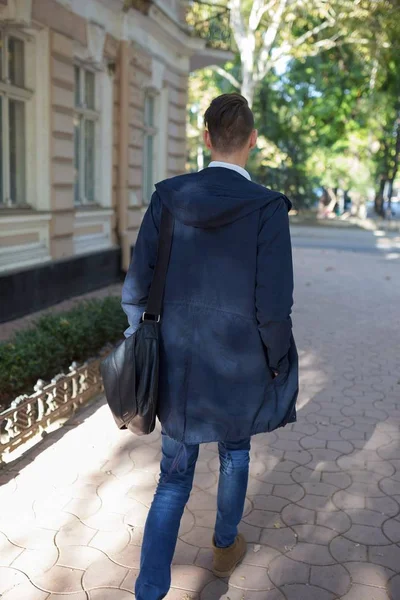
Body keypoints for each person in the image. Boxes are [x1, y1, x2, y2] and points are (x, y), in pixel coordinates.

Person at [122, 93, 298, 600]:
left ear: (205, 138)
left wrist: (142, 340)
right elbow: (274, 303)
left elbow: (136, 286)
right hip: (238, 362)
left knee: (172, 479)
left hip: (177, 364)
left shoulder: (169, 196)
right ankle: (224, 546)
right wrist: (275, 357)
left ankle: (150, 590)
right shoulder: (267, 208)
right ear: (252, 141)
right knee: (235, 453)